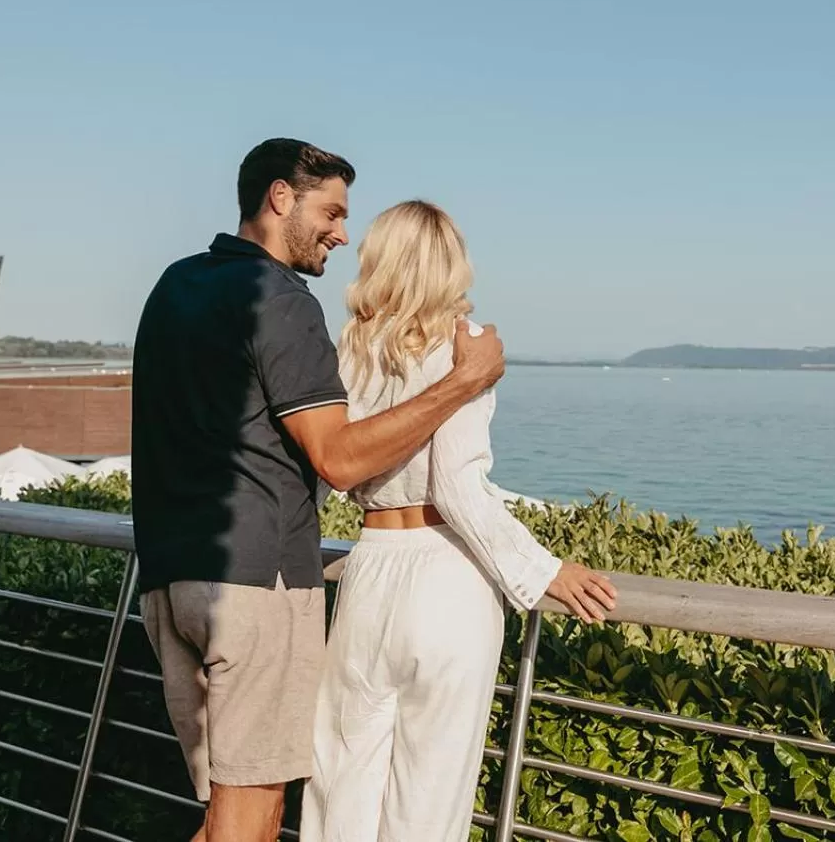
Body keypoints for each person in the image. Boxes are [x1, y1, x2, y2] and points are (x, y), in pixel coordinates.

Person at [131, 140, 508, 842]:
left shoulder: (173, 286)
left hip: (166, 579)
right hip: (252, 588)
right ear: (280, 198)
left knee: (221, 811)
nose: (341, 232)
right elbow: (337, 457)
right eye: (331, 211)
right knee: (253, 814)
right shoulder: (280, 300)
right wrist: (462, 382)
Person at [299, 200, 617, 842]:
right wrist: (545, 571)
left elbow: (339, 472)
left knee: (339, 789)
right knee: (428, 803)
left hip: (369, 570)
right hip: (447, 575)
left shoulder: (350, 349)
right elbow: (458, 487)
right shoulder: (462, 349)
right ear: (452, 266)